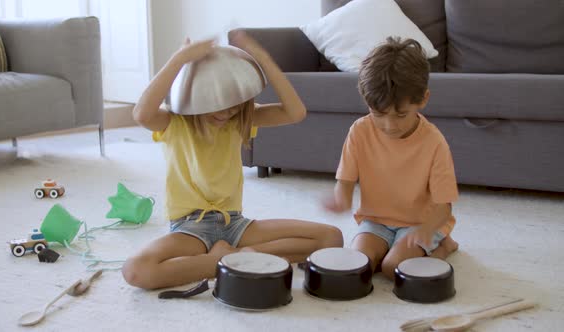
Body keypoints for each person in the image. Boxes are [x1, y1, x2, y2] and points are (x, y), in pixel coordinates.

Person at [122, 32, 343, 289]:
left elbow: (295, 112)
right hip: (191, 227)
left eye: (235, 104)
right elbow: (141, 113)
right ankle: (226, 260)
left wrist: (262, 59)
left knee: (331, 237)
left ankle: (237, 257)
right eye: (218, 103)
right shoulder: (175, 123)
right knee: (136, 271)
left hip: (235, 223)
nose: (227, 111)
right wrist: (180, 58)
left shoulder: (238, 121)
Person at [324, 37, 459, 280]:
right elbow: (345, 182)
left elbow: (444, 206)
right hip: (375, 221)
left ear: (423, 99)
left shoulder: (434, 142)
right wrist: (340, 199)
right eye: (379, 114)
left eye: (401, 114)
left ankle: (443, 247)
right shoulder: (360, 130)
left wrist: (428, 230)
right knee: (360, 266)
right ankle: (399, 249)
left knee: (393, 268)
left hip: (421, 224)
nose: (389, 125)